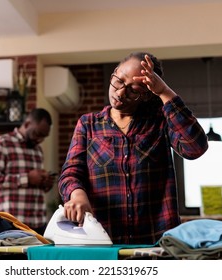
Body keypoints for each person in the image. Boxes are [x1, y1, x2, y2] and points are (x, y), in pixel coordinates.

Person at [58, 52, 209, 245]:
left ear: (146, 95)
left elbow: (195, 147)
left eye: (133, 90)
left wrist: (163, 91)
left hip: (156, 245)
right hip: (104, 242)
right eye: (118, 81)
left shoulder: (160, 122)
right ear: (113, 73)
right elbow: (70, 173)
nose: (120, 93)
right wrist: (77, 195)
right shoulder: (89, 125)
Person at [0, 108, 55, 235]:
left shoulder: (38, 150)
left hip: (39, 224)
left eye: (44, 137)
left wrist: (45, 183)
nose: (40, 140)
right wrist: (27, 178)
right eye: (37, 134)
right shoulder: (3, 143)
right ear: (27, 124)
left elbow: (35, 187)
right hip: (12, 225)